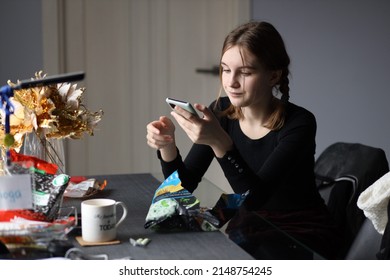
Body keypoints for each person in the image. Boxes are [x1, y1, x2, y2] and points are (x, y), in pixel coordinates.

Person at [146, 21, 340, 259]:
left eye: (245, 72)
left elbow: (257, 198)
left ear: (274, 75)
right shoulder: (220, 111)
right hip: (249, 219)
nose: (231, 82)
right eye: (226, 70)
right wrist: (167, 146)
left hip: (299, 228)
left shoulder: (300, 122)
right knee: (169, 235)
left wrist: (220, 143)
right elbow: (183, 186)